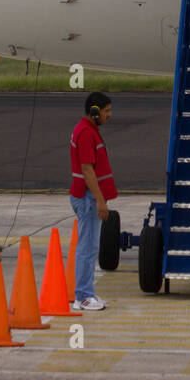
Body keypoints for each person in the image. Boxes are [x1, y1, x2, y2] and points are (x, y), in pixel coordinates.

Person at [68, 91, 117, 310]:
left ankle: (87, 293)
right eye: (106, 111)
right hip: (87, 198)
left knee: (89, 246)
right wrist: (100, 201)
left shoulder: (88, 130)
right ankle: (83, 296)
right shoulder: (87, 134)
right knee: (87, 248)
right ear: (95, 112)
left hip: (89, 197)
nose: (110, 115)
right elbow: (88, 170)